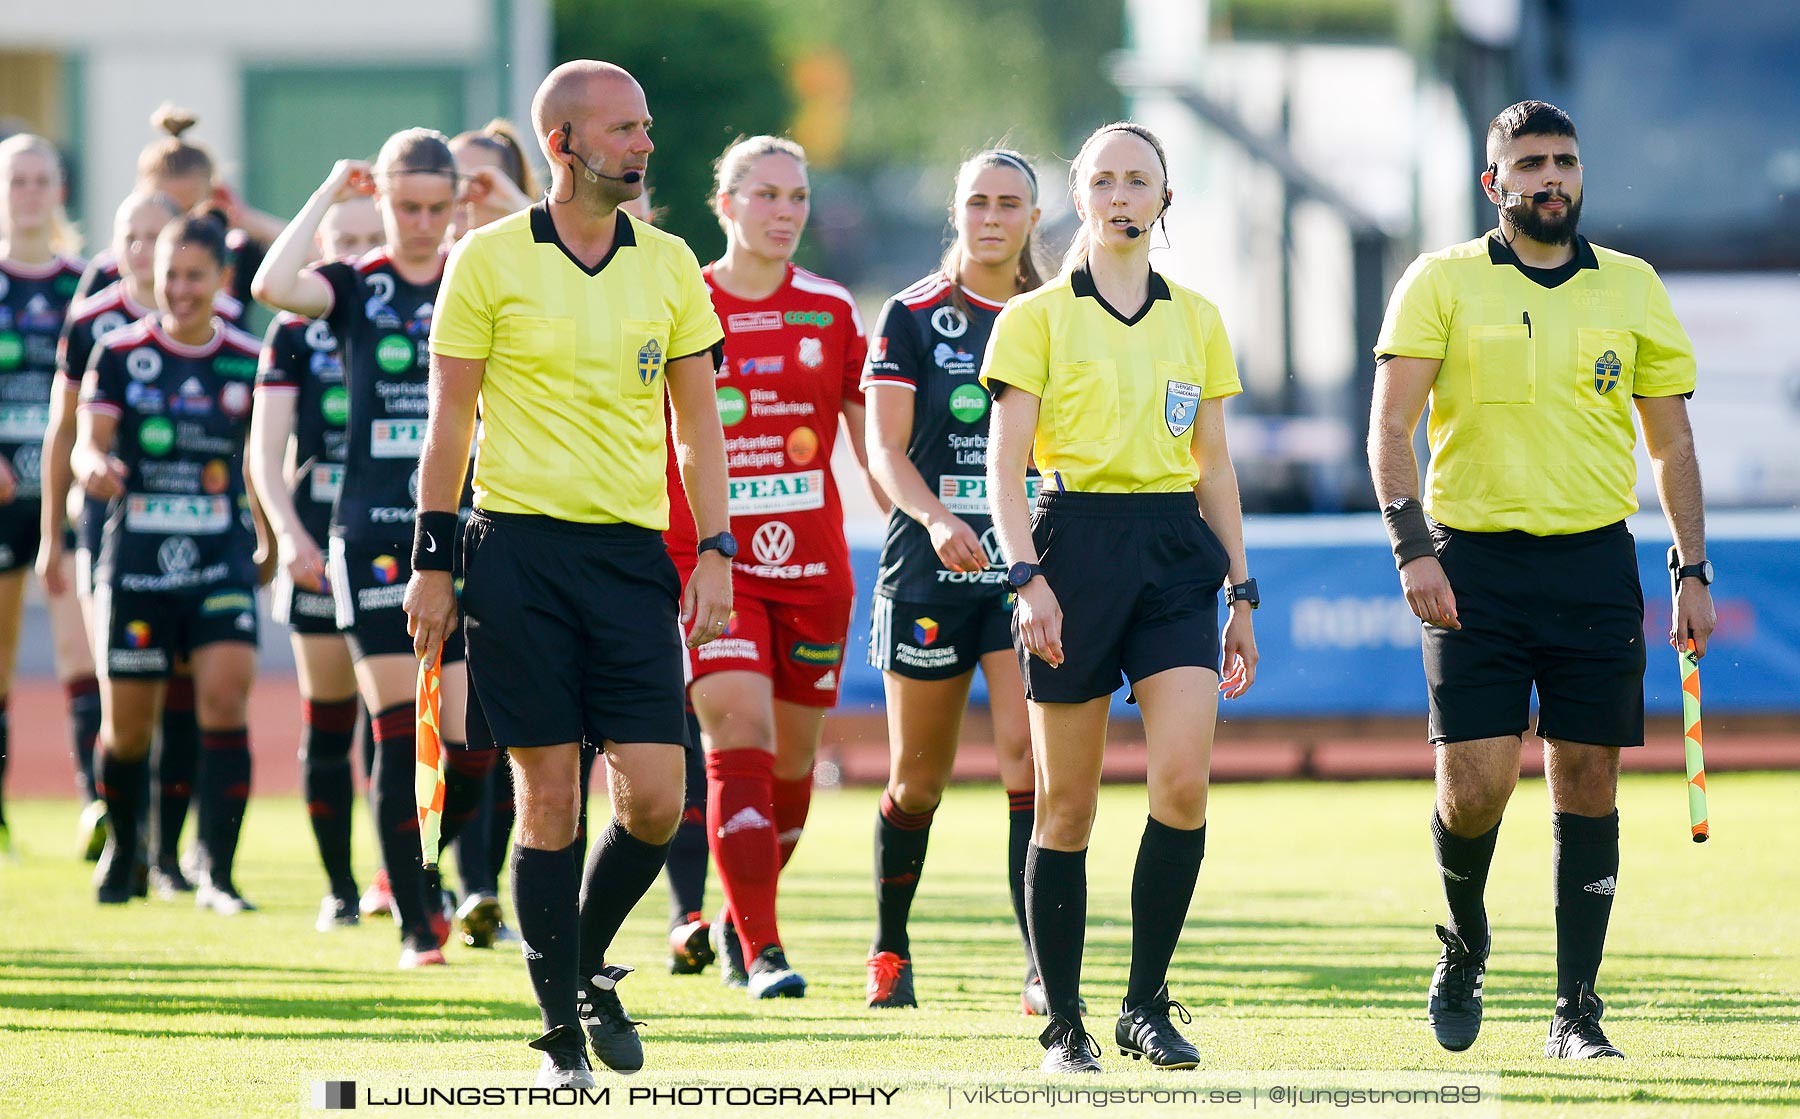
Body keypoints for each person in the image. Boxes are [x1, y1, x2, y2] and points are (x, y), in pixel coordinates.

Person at [406, 60, 731, 1086]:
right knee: (548, 799)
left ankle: (585, 964)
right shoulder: (486, 260)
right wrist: (430, 560)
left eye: (645, 128)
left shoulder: (673, 263)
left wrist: (715, 547)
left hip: (631, 559)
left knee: (657, 803)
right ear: (563, 144)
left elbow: (697, 430)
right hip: (514, 556)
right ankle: (559, 1036)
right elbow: (449, 420)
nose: (644, 145)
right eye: (625, 130)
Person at [1368, 100, 1713, 1061]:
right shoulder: (1440, 281)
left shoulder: (1634, 288)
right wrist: (1412, 548)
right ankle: (1466, 939)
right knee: (1475, 786)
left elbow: (1672, 439)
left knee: (1587, 783)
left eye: (1564, 161)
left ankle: (1576, 1008)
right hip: (1470, 563)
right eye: (1529, 164)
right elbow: (1388, 430)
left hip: (1595, 561)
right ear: (1496, 183)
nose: (1550, 176)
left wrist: (1690, 566)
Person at [982, 122, 1258, 1073]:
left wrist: (1242, 590)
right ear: (1079, 197)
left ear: (1166, 198)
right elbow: (1005, 466)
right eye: (1103, 181)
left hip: (1173, 549)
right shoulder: (1036, 319)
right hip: (1070, 549)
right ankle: (1064, 1021)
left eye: (1139, 180)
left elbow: (1213, 465)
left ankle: (1146, 1004)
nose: (1121, 196)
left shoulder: (1199, 318)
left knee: (1182, 782)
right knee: (1068, 806)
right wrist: (1027, 579)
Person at [252, 129, 496, 968]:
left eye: (438, 207)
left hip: (467, 531)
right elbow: (271, 283)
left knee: (471, 747)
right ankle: (416, 923)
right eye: (406, 207)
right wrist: (327, 186)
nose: (423, 224)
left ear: (456, 203)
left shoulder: (480, 270)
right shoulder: (357, 285)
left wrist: (495, 199)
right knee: (397, 732)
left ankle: (420, 870)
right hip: (370, 536)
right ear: (383, 201)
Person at [661, 134, 882, 1001]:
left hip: (815, 567)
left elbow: (874, 448)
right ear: (725, 204)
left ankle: (737, 913)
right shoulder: (684, 304)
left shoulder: (830, 309)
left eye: (797, 197)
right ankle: (763, 949)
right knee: (737, 730)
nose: (784, 213)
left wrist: (923, 519)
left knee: (792, 770)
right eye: (765, 196)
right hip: (713, 563)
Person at [860, 148, 1048, 1011]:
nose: (992, 217)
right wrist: (937, 519)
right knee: (917, 780)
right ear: (956, 211)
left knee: (1029, 767)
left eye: (1009, 203)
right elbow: (884, 448)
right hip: (930, 575)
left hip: (1023, 574)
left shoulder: (1057, 314)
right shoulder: (911, 314)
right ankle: (890, 949)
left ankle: (1042, 966)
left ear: (1034, 220)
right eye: (977, 201)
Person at [49, 190, 249, 884]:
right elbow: (82, 442)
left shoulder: (248, 356)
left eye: (196, 276)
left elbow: (265, 457)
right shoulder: (118, 348)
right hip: (133, 559)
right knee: (128, 728)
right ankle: (126, 848)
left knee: (224, 699)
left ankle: (215, 872)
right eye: (171, 275)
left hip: (221, 557)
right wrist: (93, 465)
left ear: (222, 279)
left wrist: (274, 540)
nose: (181, 289)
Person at [246, 194, 382, 931]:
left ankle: (415, 879)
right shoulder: (295, 331)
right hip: (321, 550)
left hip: (400, 547)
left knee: (410, 726)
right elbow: (264, 453)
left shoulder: (424, 315)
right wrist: (290, 534)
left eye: (373, 240)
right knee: (331, 722)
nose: (359, 254)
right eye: (345, 241)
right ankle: (341, 887)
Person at [442, 122, 536, 947]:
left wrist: (511, 207)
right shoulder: (427, 272)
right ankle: (418, 872)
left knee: (503, 714)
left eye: (487, 182)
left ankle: (480, 886)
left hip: (519, 517)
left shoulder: (538, 264)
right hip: (440, 510)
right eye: (457, 182)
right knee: (431, 715)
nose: (467, 198)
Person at [0, 133, 88, 859]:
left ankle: (101, 807)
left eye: (40, 180)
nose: (28, 192)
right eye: (16, 179)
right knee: (0, 658)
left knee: (79, 651)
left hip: (66, 497)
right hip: (2, 495)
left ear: (59, 191)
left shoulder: (81, 283)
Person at [75, 106, 283, 319]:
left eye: (189, 209)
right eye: (167, 208)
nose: (179, 224)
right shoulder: (112, 268)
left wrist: (245, 218)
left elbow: (313, 261)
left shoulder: (230, 255)